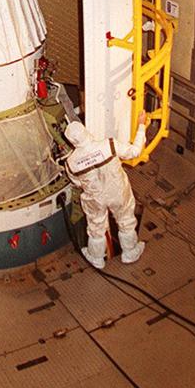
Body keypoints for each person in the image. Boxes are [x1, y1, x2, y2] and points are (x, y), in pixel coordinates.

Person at [64, 112, 148, 270]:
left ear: (71, 141)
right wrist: (141, 125)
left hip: (95, 198)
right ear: (85, 131)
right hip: (118, 192)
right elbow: (135, 151)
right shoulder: (108, 145)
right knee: (126, 221)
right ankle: (130, 253)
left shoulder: (70, 162)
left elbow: (76, 182)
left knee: (96, 227)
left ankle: (96, 258)